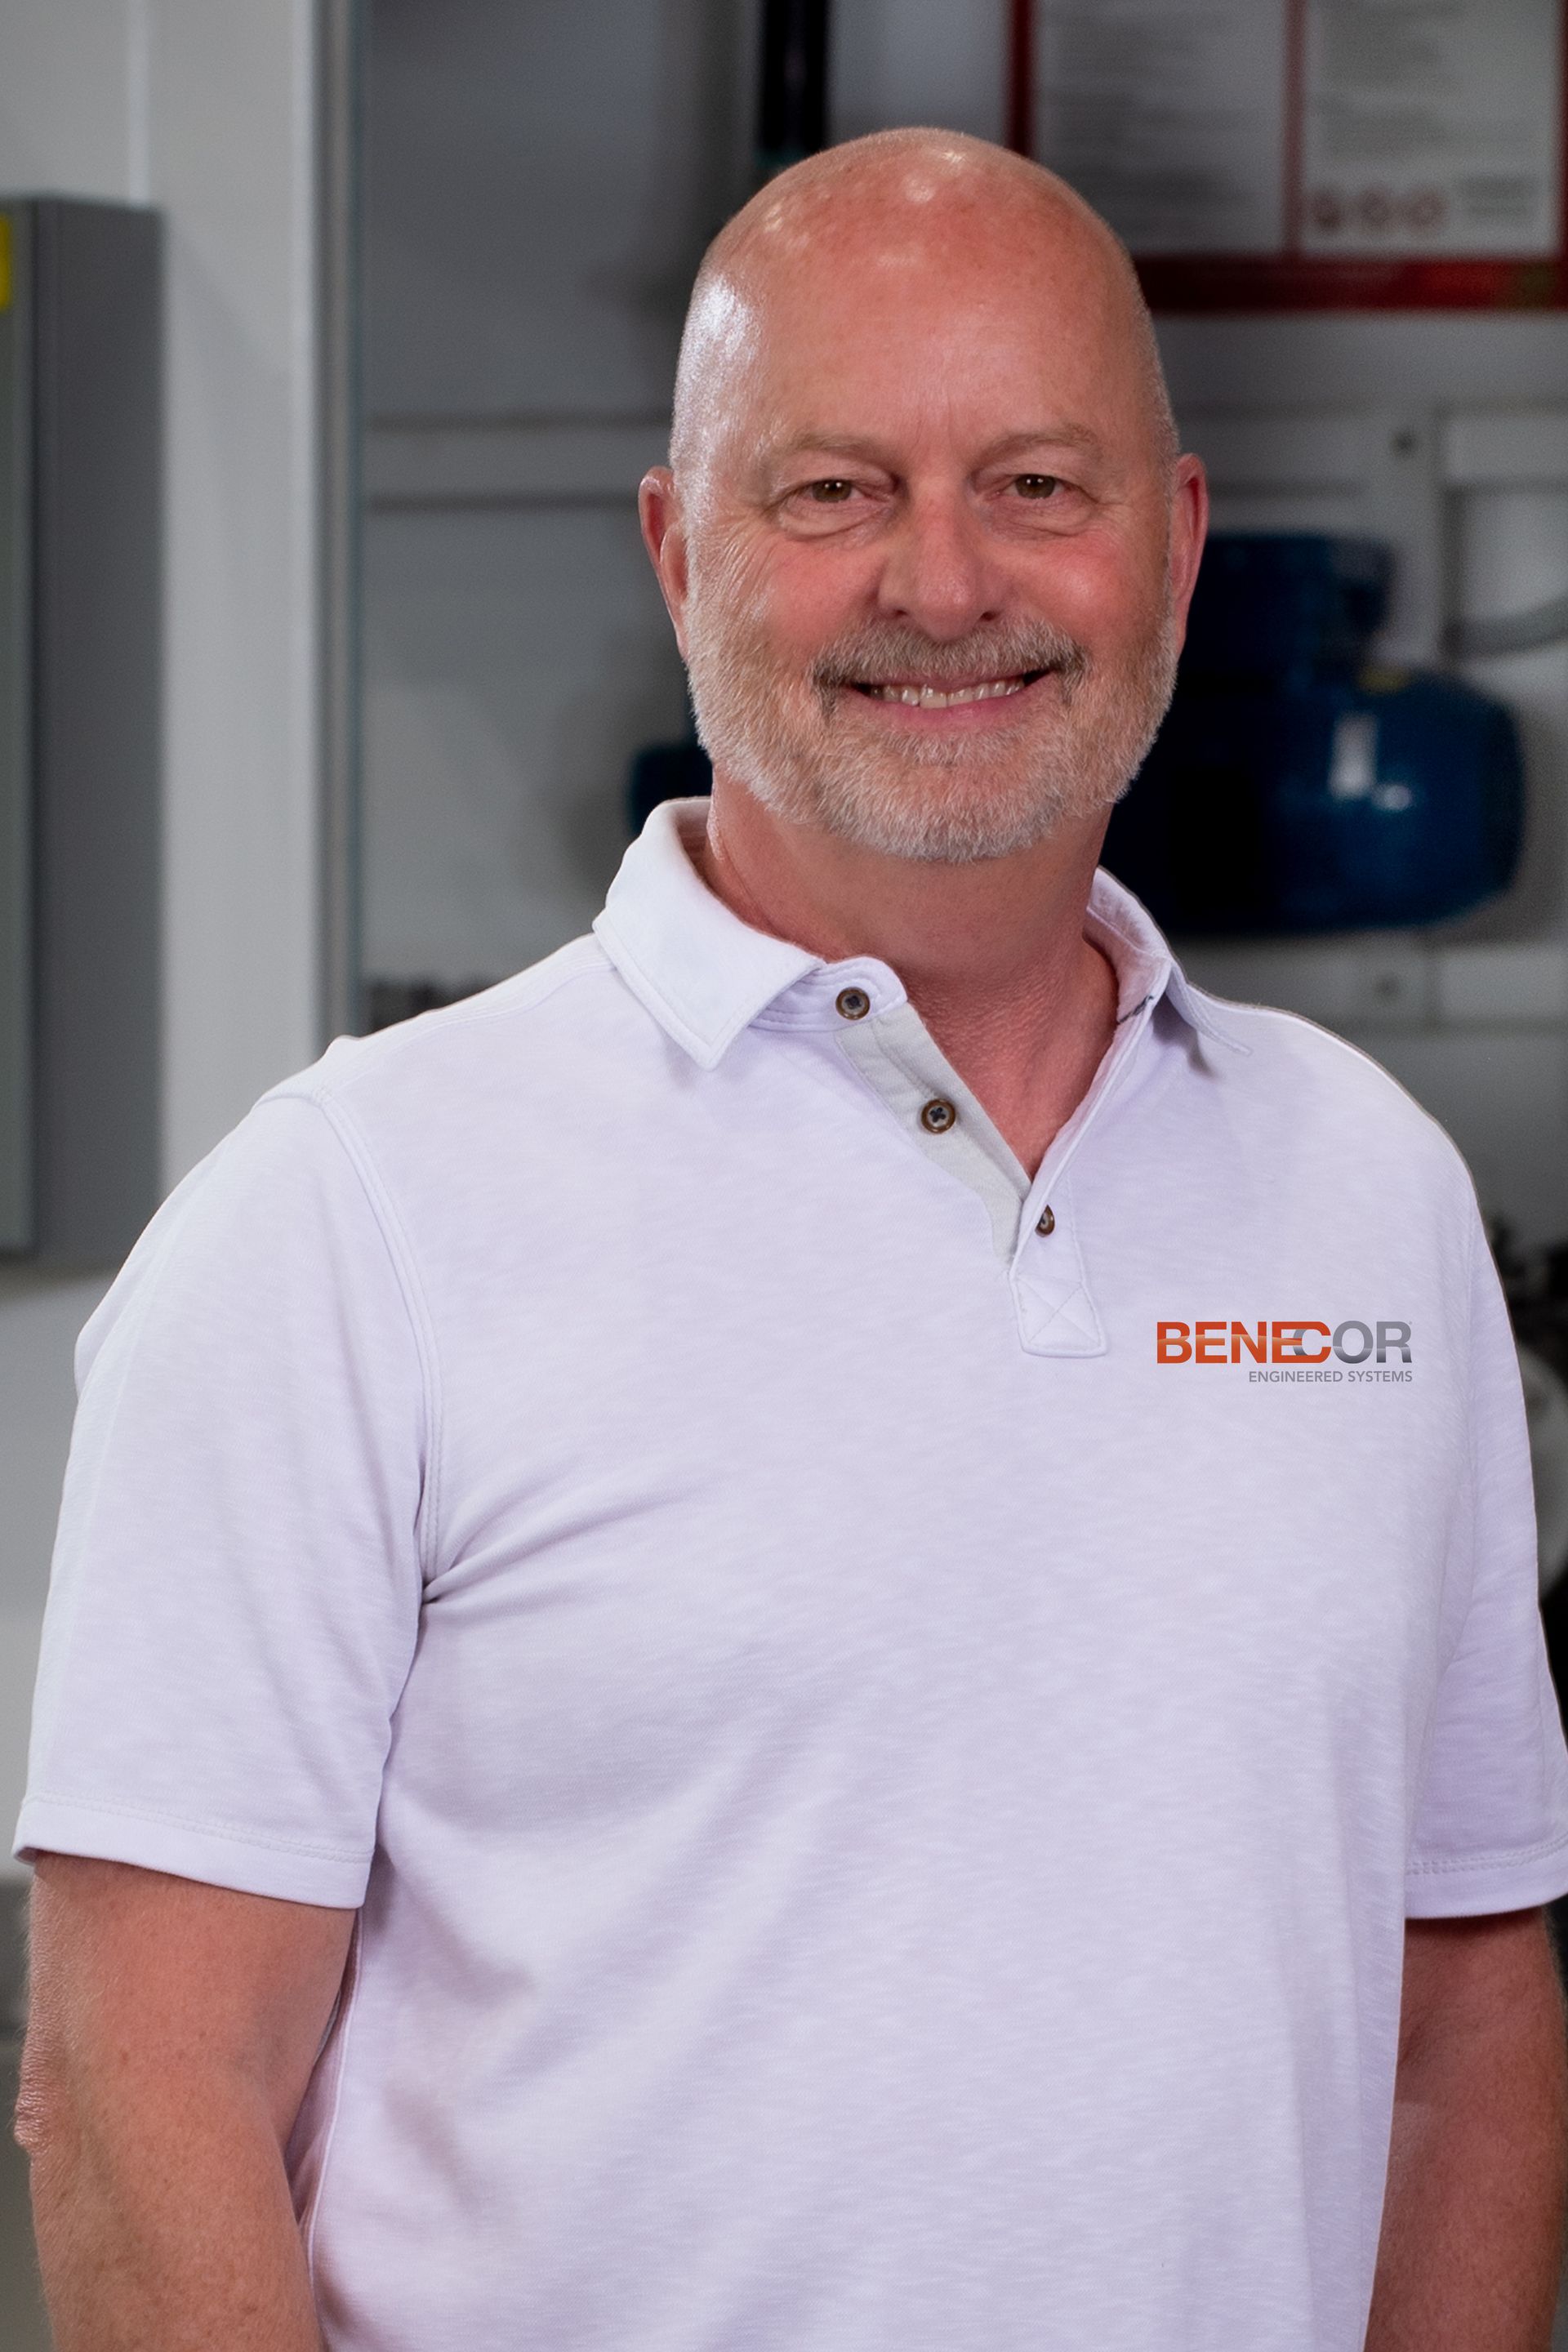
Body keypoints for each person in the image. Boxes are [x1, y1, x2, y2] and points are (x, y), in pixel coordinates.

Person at [14, 127, 1568, 2352]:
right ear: (676, 550)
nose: (945, 586)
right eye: (831, 491)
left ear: (1180, 542)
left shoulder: (1371, 1197)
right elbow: (145, 2082)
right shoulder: (348, 1220)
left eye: (1039, 486)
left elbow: (1464, 2028)